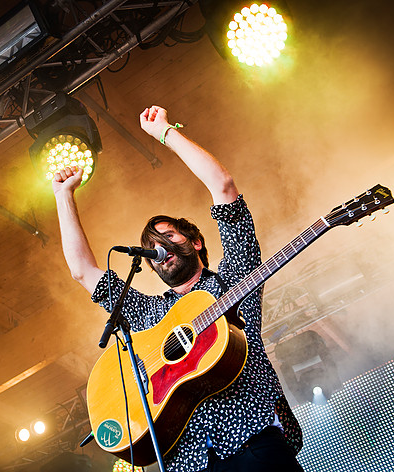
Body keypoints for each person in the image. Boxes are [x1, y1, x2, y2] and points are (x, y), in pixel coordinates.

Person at [52, 105, 303, 472]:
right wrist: (63, 195)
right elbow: (82, 271)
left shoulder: (232, 279)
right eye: (153, 246)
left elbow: (223, 187)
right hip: (187, 463)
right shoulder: (149, 315)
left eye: (168, 236)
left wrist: (166, 133)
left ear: (196, 241)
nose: (161, 249)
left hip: (254, 446)